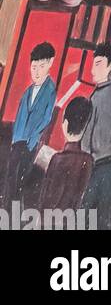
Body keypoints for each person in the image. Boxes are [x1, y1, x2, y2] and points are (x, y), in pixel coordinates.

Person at [5, 41, 57, 207]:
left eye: (41, 66)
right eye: (33, 67)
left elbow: (46, 119)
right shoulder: (27, 91)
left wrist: (31, 142)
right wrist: (15, 140)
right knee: (9, 179)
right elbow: (20, 116)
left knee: (21, 181)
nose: (36, 72)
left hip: (30, 144)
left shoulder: (50, 90)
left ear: (50, 63)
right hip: (18, 142)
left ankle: (11, 213)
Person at [81, 42, 111, 229]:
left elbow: (90, 132)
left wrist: (83, 157)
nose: (92, 70)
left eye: (98, 64)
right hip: (108, 161)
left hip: (96, 162)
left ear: (110, 66)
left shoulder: (101, 94)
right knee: (101, 216)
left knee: (85, 212)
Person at [40, 96, 93, 214]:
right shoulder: (88, 160)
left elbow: (48, 198)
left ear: (65, 123)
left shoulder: (58, 159)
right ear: (85, 127)